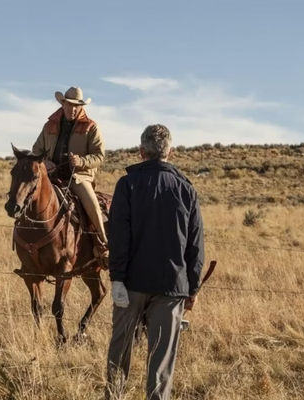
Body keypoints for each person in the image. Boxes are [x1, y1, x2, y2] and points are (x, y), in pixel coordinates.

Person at [105, 124, 204, 400]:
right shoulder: (186, 189)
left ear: (141, 151)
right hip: (171, 288)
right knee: (161, 362)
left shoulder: (128, 184)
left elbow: (118, 236)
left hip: (131, 284)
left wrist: (117, 279)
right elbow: (195, 246)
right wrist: (192, 289)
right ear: (169, 152)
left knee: (119, 352)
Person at [32, 86, 109, 264]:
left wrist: (81, 162)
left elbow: (99, 155)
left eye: (77, 106)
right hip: (51, 176)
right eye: (70, 105)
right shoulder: (49, 125)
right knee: (29, 197)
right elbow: (36, 151)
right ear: (63, 103)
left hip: (78, 177)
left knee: (92, 205)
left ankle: (102, 243)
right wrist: (44, 162)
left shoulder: (91, 127)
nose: (73, 109)